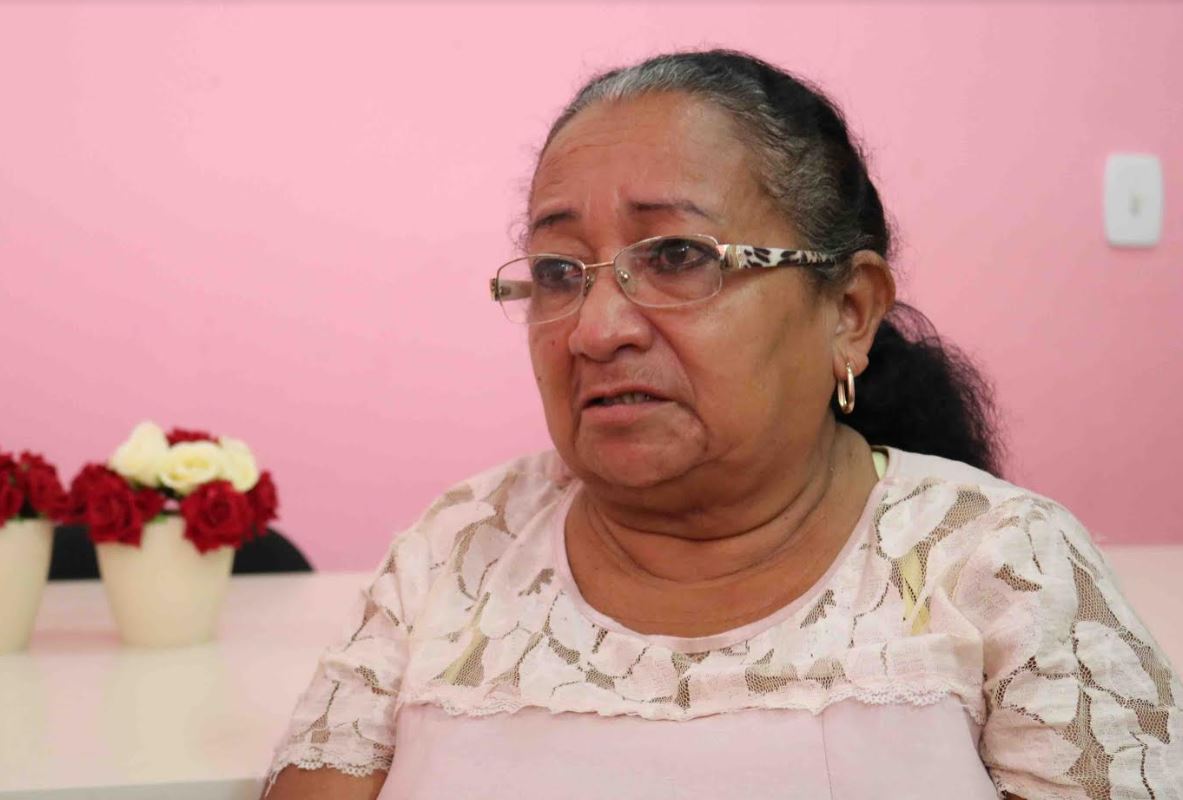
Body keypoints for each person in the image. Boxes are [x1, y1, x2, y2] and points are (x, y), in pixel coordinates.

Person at [264, 50, 1182, 799]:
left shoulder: (1002, 565)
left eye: (676, 256)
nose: (593, 330)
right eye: (557, 271)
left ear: (848, 313)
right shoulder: (459, 547)